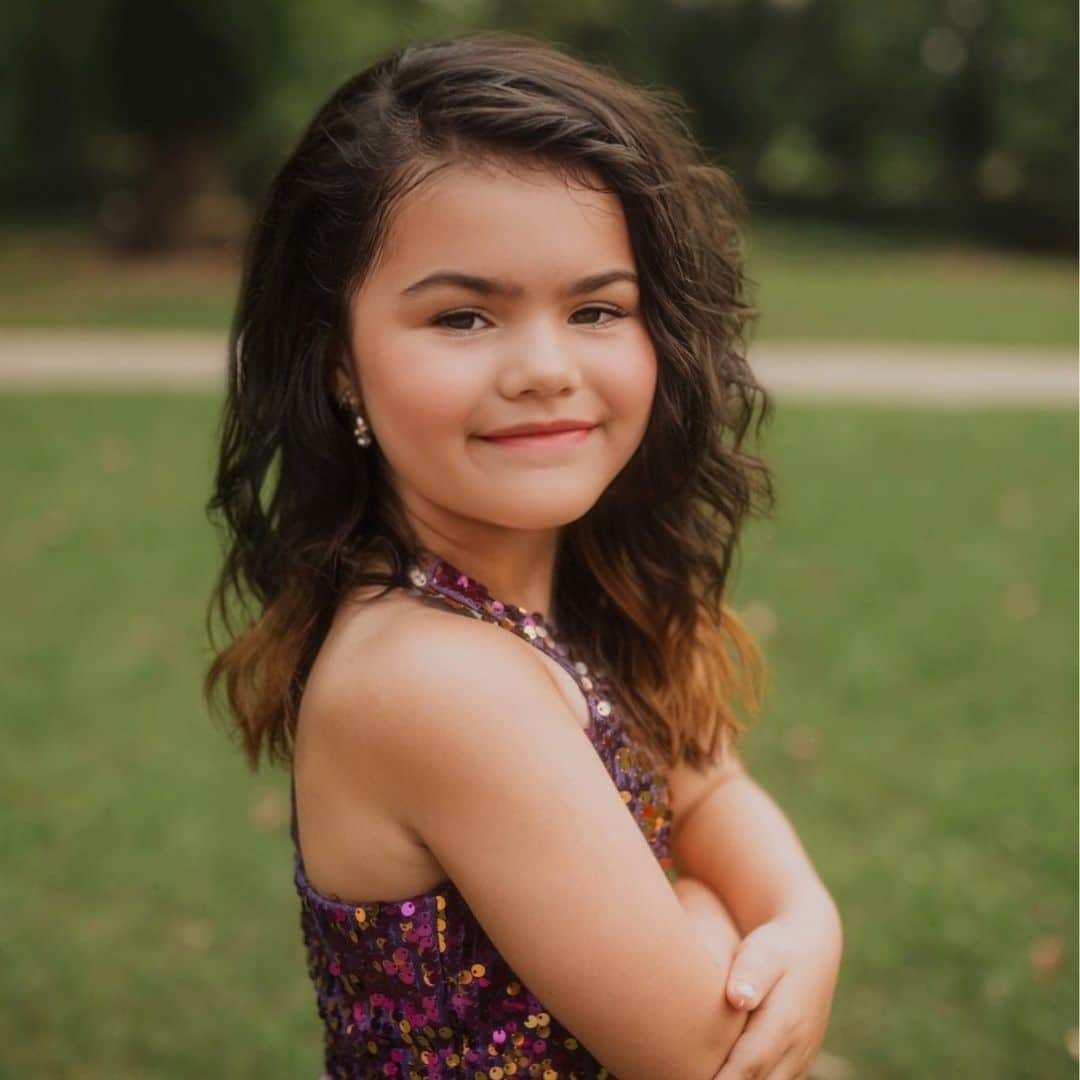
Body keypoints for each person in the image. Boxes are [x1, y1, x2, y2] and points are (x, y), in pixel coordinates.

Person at [204, 30, 842, 1080]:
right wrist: (699, 903)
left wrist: (806, 919)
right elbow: (707, 1054)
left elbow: (710, 790)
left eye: (597, 308)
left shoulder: (561, 592)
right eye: (463, 316)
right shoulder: (436, 680)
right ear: (339, 367)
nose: (544, 368)